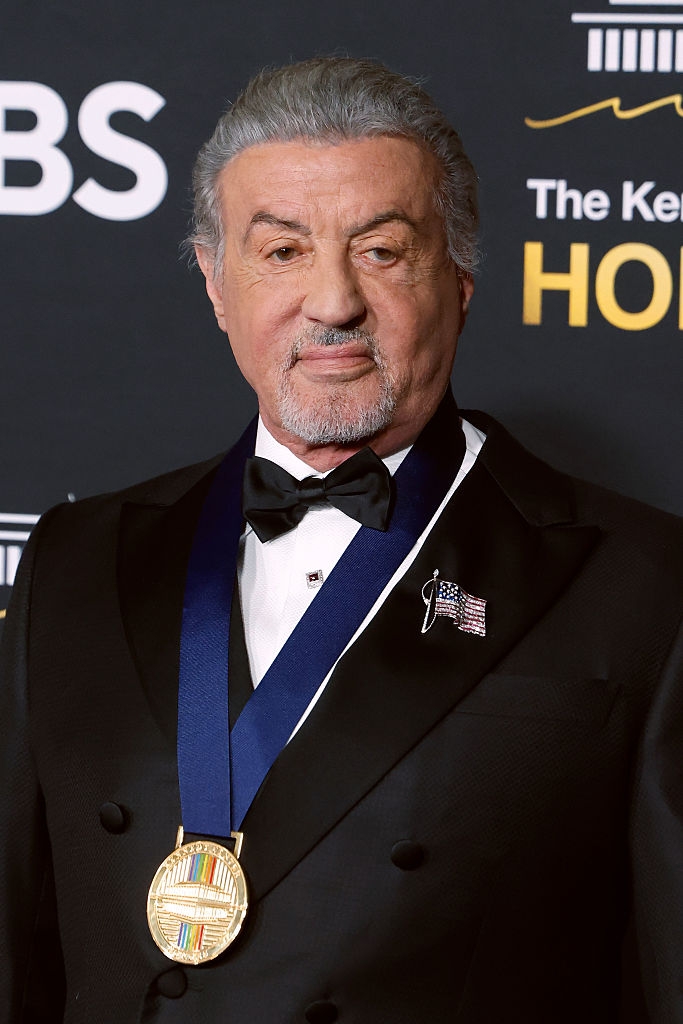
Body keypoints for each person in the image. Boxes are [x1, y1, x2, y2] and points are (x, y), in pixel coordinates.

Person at [1, 56, 682, 1024]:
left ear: (460, 275)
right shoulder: (75, 560)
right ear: (214, 282)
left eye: (380, 250)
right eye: (279, 251)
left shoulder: (644, 583)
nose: (331, 304)